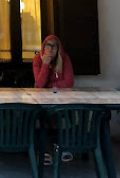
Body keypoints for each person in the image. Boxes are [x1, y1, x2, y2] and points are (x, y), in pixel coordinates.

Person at [32, 35, 74, 164]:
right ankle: (48, 150)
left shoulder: (64, 59)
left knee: (59, 115)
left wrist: (49, 85)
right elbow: (39, 84)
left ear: (58, 48)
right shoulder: (38, 59)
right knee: (45, 116)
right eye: (48, 45)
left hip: (62, 100)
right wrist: (45, 64)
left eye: (54, 46)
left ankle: (59, 148)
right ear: (43, 47)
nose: (50, 49)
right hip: (43, 100)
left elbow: (69, 83)